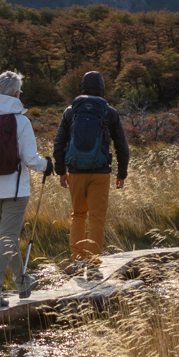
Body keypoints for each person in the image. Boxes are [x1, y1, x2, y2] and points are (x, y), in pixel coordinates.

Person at [0, 69, 49, 305]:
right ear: (16, 92)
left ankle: (22, 283)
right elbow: (30, 159)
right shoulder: (21, 121)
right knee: (6, 240)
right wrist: (48, 166)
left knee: (7, 239)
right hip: (16, 192)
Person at [50, 70, 129, 268]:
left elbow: (58, 143)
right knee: (97, 218)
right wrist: (121, 173)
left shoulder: (71, 111)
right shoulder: (109, 112)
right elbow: (122, 146)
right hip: (101, 172)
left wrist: (61, 171)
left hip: (76, 171)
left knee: (78, 214)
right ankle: (93, 261)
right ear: (102, 88)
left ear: (82, 87)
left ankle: (77, 258)